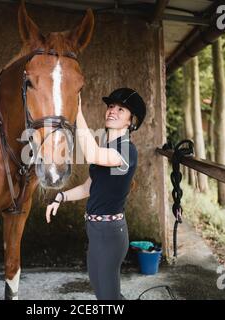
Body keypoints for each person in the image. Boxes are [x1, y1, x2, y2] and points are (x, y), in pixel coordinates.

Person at [45, 88, 147, 300]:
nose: (112, 111)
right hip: (95, 230)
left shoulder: (127, 150)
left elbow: (91, 153)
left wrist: (78, 111)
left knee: (107, 297)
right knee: (102, 290)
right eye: (111, 106)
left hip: (110, 233)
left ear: (131, 121)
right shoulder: (108, 147)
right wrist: (59, 197)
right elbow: (87, 188)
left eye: (121, 109)